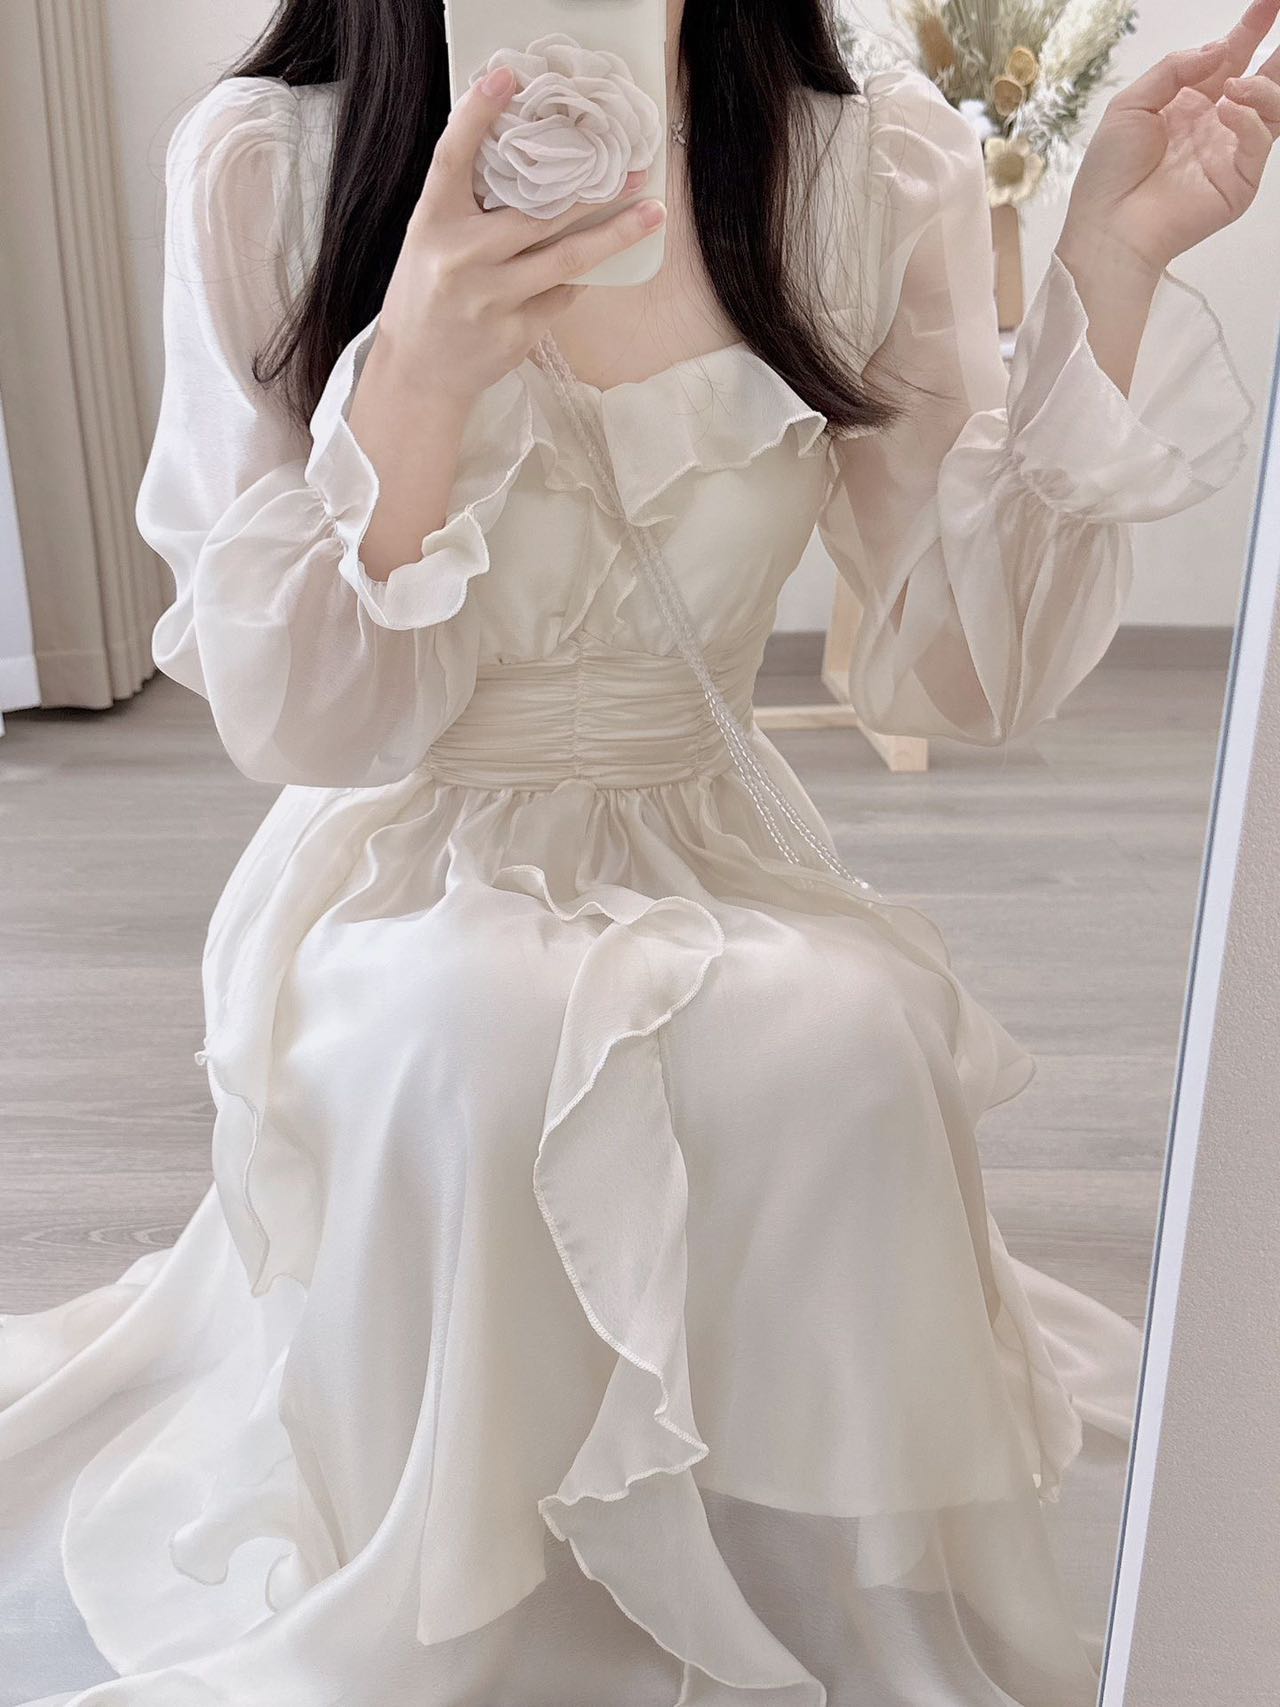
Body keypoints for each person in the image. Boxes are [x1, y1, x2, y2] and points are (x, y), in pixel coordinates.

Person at [1, 1, 1275, 1702]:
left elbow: (955, 675)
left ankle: (798, 1590)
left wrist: (1108, 266)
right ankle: (474, 1601)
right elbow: (301, 723)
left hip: (709, 837)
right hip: (412, 851)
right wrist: (421, 368)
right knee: (470, 1048)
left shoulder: (859, 166)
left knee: (848, 1039)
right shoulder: (271, 167)